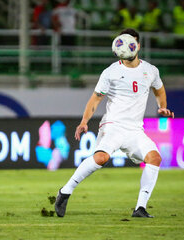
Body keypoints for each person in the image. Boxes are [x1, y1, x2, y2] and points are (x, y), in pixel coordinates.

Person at [55, 28, 174, 218]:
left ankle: (140, 208)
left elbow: (159, 89)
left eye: (131, 42)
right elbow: (95, 99)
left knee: (155, 158)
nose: (127, 45)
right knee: (101, 158)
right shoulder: (111, 72)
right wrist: (84, 121)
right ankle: (65, 192)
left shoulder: (150, 70)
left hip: (135, 130)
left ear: (138, 45)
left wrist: (162, 107)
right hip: (113, 125)